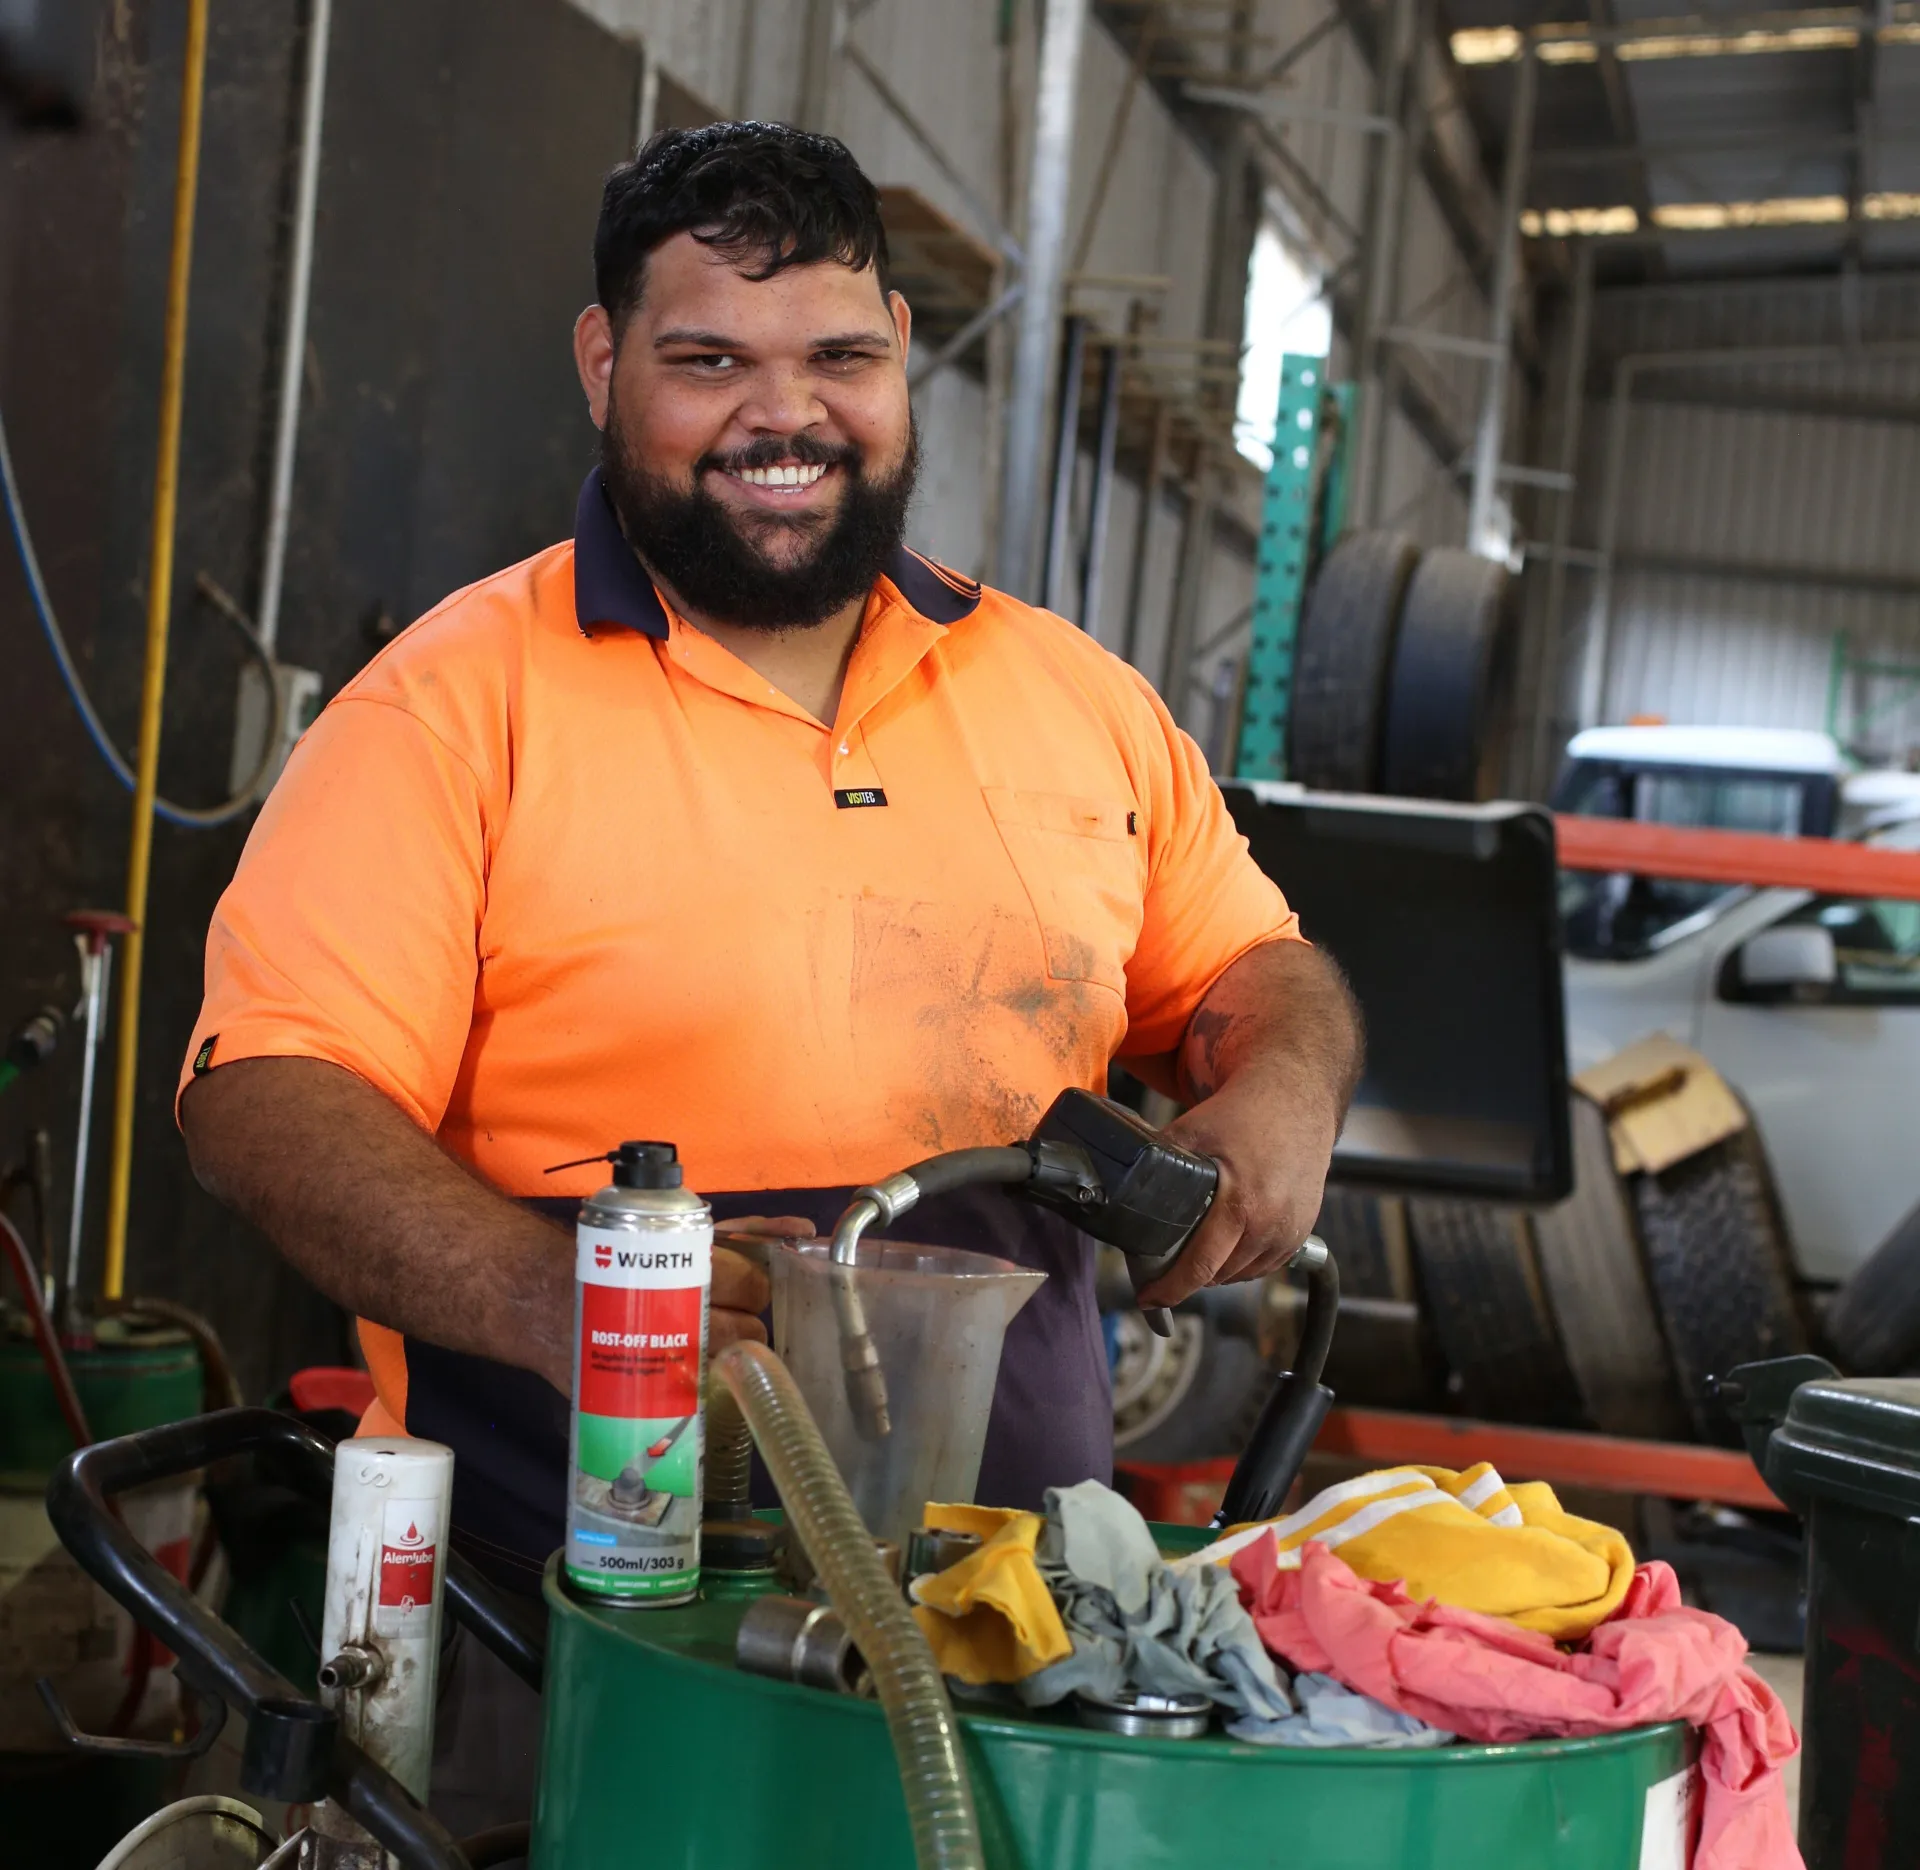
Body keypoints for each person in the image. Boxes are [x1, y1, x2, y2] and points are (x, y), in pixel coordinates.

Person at [178, 121, 1362, 1836]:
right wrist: (538, 1295)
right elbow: (262, 1094)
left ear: (901, 362)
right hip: (575, 1624)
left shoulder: (1072, 700)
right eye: (709, 359)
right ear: (604, 366)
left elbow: (1256, 967)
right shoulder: (451, 709)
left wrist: (1284, 1086)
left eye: (841, 358)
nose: (784, 416)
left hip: (1018, 1632)